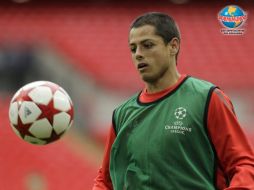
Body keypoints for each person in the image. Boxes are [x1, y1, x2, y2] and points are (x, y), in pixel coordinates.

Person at [92, 12, 254, 190]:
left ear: (173, 46)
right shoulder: (122, 114)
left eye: (147, 45)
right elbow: (105, 180)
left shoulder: (207, 98)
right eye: (133, 48)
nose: (138, 54)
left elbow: (243, 165)